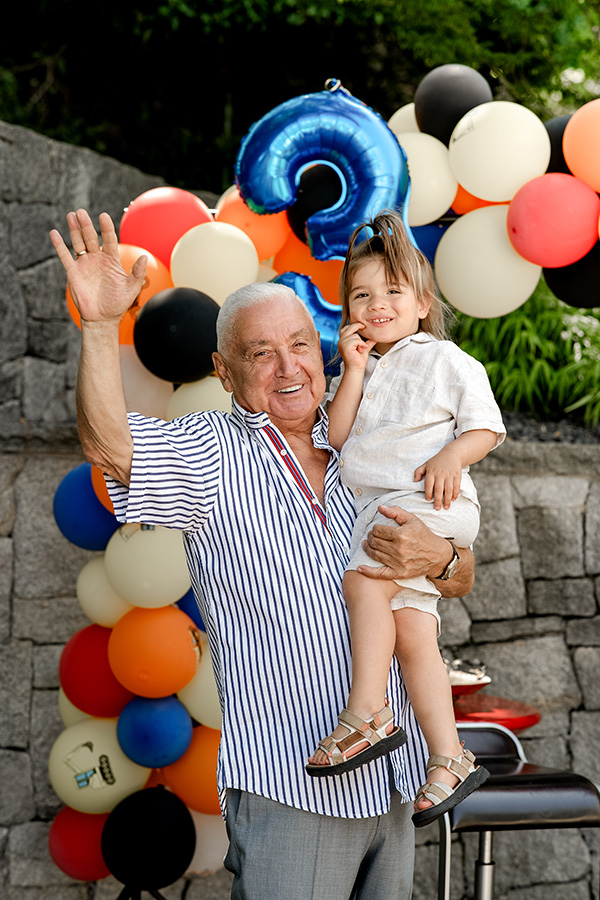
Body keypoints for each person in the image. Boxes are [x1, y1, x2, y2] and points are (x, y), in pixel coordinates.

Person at [49, 209, 476, 900]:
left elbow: (457, 574)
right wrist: (100, 329)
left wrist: (442, 556)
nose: (288, 368)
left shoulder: (371, 435)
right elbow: (111, 449)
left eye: (301, 345)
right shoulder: (213, 450)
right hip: (291, 785)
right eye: (260, 353)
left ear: (327, 346)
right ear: (223, 370)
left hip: (397, 782)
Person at [306, 210, 505, 828]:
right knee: (416, 634)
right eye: (361, 295)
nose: (375, 304)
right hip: (385, 505)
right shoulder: (361, 370)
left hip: (429, 499)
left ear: (423, 304)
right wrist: (355, 370)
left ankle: (367, 713)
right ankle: (449, 757)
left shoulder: (445, 359)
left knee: (363, 581)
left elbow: (486, 427)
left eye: (392, 292)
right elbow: (336, 438)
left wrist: (452, 453)